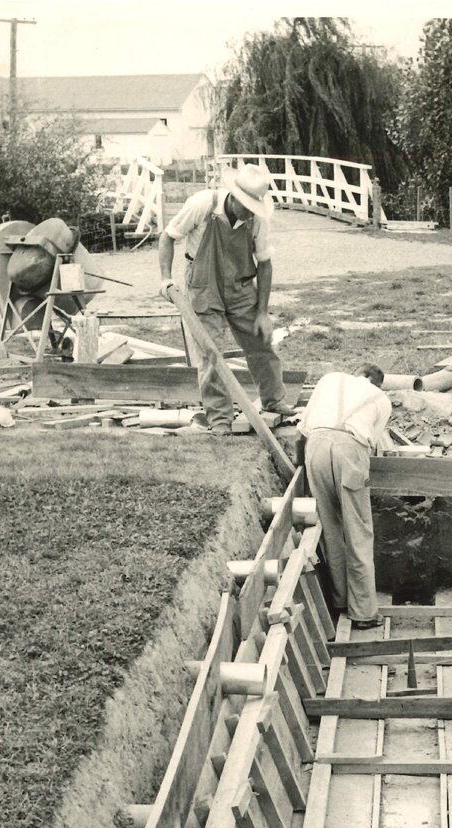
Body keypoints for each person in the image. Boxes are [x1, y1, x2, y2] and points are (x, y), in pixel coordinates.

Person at [158, 165, 294, 435]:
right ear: (233, 196)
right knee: (210, 352)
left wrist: (262, 312)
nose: (249, 211)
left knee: (261, 342)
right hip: (203, 283)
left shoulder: (257, 220)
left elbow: (264, 264)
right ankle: (220, 419)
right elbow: (167, 237)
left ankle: (274, 399)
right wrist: (165, 279)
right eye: (246, 205)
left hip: (241, 285)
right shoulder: (202, 205)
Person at [299, 363, 394, 630]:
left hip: (315, 447)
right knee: (358, 532)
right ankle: (363, 613)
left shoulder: (329, 379)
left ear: (358, 374)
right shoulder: (381, 399)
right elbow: (370, 444)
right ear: (377, 384)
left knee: (330, 528)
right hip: (350, 451)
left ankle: (340, 601)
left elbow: (303, 428)